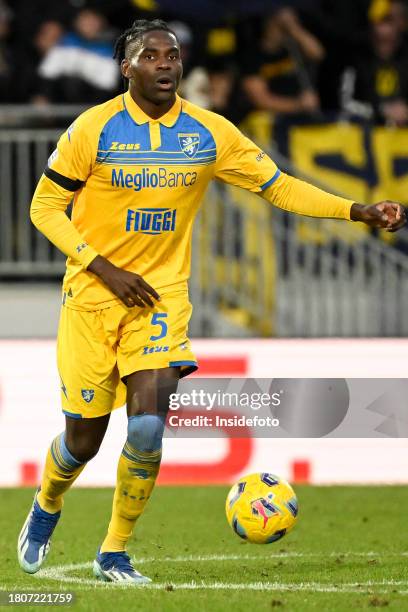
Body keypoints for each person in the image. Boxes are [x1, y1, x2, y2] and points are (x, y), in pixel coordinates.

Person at [18, 18, 405, 585]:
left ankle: (114, 551)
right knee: (83, 439)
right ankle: (47, 503)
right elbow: (43, 207)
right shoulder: (91, 130)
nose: (166, 64)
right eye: (151, 56)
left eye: (172, 55)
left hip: (160, 298)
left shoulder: (208, 132)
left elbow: (279, 185)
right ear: (126, 68)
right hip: (91, 297)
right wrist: (104, 266)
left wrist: (357, 210)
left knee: (148, 426)